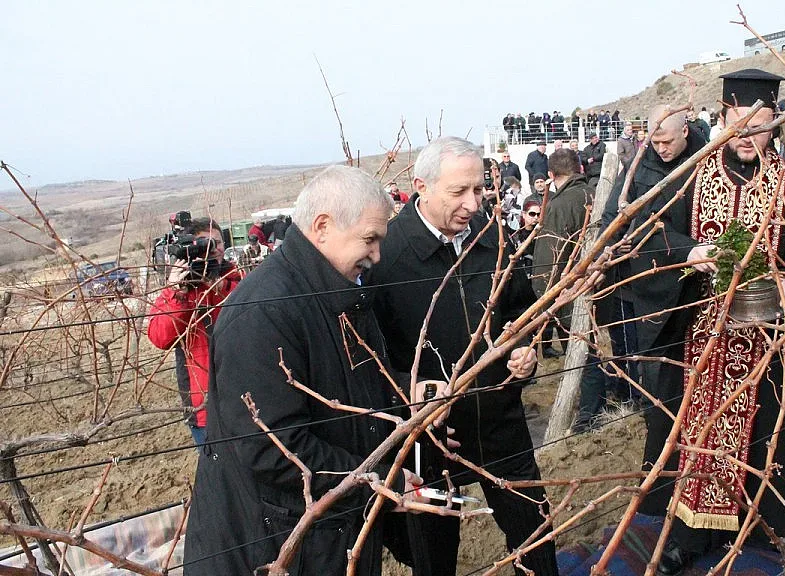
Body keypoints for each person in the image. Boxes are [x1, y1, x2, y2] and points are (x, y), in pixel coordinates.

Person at [631, 69, 785, 575]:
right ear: (723, 119)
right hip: (698, 334)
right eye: (740, 122)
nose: (749, 135)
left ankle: (774, 519)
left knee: (769, 428)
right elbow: (648, 234)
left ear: (775, 126)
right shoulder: (692, 174)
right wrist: (690, 252)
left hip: (765, 339)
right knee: (694, 429)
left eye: (761, 126)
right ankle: (692, 532)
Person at [183, 166, 422, 575]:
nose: (377, 255)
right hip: (280, 544)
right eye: (370, 239)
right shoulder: (263, 312)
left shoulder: (336, 292)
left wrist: (408, 393)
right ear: (323, 227)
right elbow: (275, 450)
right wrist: (376, 480)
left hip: (329, 532)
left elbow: (349, 386)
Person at [367, 137, 558, 576]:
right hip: (430, 434)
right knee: (433, 555)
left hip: (500, 419)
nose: (473, 204)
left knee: (535, 533)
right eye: (458, 192)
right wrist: (406, 395)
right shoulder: (386, 256)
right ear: (421, 187)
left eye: (478, 189)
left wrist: (524, 349)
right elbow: (369, 354)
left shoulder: (493, 237)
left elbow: (520, 311)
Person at [576, 106, 707, 433]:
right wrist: (603, 252)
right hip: (650, 281)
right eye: (656, 141)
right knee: (654, 362)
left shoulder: (706, 160)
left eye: (668, 141)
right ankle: (660, 424)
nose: (661, 149)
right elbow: (615, 217)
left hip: (698, 275)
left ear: (685, 132)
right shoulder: (639, 165)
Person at [147, 218, 241, 445]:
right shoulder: (180, 291)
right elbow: (161, 337)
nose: (212, 249)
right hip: (203, 407)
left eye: (216, 242)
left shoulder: (238, 281)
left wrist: (222, 289)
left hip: (245, 399)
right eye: (203, 244)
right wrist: (177, 293)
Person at [532, 149, 593, 359]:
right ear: (580, 168)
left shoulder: (559, 205)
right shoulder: (595, 194)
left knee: (581, 357)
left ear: (550, 175)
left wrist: (542, 293)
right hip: (598, 285)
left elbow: (549, 256)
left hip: (571, 290)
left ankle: (593, 392)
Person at [511, 198, 542, 277]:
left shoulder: (541, 234)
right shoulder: (516, 234)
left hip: (536, 271)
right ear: (524, 214)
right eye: (532, 214)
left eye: (538, 214)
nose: (536, 217)